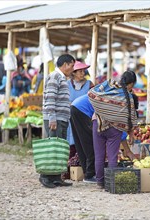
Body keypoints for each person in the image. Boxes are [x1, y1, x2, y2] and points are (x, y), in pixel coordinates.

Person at [89, 70, 138, 188]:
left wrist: (103, 110)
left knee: (99, 155)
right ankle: (111, 183)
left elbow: (91, 93)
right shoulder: (129, 98)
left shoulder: (108, 86)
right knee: (112, 156)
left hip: (98, 123)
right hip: (115, 129)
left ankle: (100, 182)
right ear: (131, 84)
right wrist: (131, 134)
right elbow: (131, 119)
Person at [40, 54, 75, 188]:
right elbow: (50, 98)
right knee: (52, 148)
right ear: (65, 65)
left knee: (59, 149)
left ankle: (56, 177)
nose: (72, 69)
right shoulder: (55, 76)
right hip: (56, 119)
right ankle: (45, 177)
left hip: (62, 119)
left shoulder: (62, 78)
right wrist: (52, 117)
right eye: (72, 66)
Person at [70, 94, 97, 183]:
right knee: (90, 142)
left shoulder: (109, 90)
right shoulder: (117, 98)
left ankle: (86, 172)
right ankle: (89, 175)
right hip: (82, 110)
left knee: (80, 143)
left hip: (75, 106)